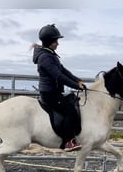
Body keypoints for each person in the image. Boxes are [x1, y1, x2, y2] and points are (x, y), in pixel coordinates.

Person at [32, 24, 87, 152]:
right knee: (70, 111)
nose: (58, 43)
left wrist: (77, 81)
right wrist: (75, 85)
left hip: (54, 92)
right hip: (50, 94)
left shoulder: (50, 54)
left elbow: (63, 70)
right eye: (56, 40)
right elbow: (59, 77)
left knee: (72, 104)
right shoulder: (45, 57)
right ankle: (68, 142)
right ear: (50, 42)